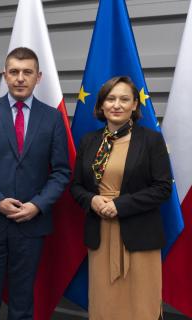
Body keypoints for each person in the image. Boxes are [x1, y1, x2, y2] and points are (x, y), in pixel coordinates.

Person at [0, 47, 70, 320]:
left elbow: (61, 172)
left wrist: (37, 205)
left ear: (38, 77)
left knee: (23, 300)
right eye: (14, 72)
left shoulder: (53, 117)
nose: (20, 78)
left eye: (27, 72)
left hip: (31, 224)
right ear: (5, 75)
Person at [70, 76, 172, 319]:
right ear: (101, 105)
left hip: (139, 236)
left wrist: (120, 205)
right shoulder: (88, 141)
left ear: (135, 105)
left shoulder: (151, 140)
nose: (117, 104)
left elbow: (162, 188)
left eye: (124, 99)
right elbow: (76, 186)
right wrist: (92, 200)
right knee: (105, 304)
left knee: (140, 304)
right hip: (101, 233)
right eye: (111, 98)